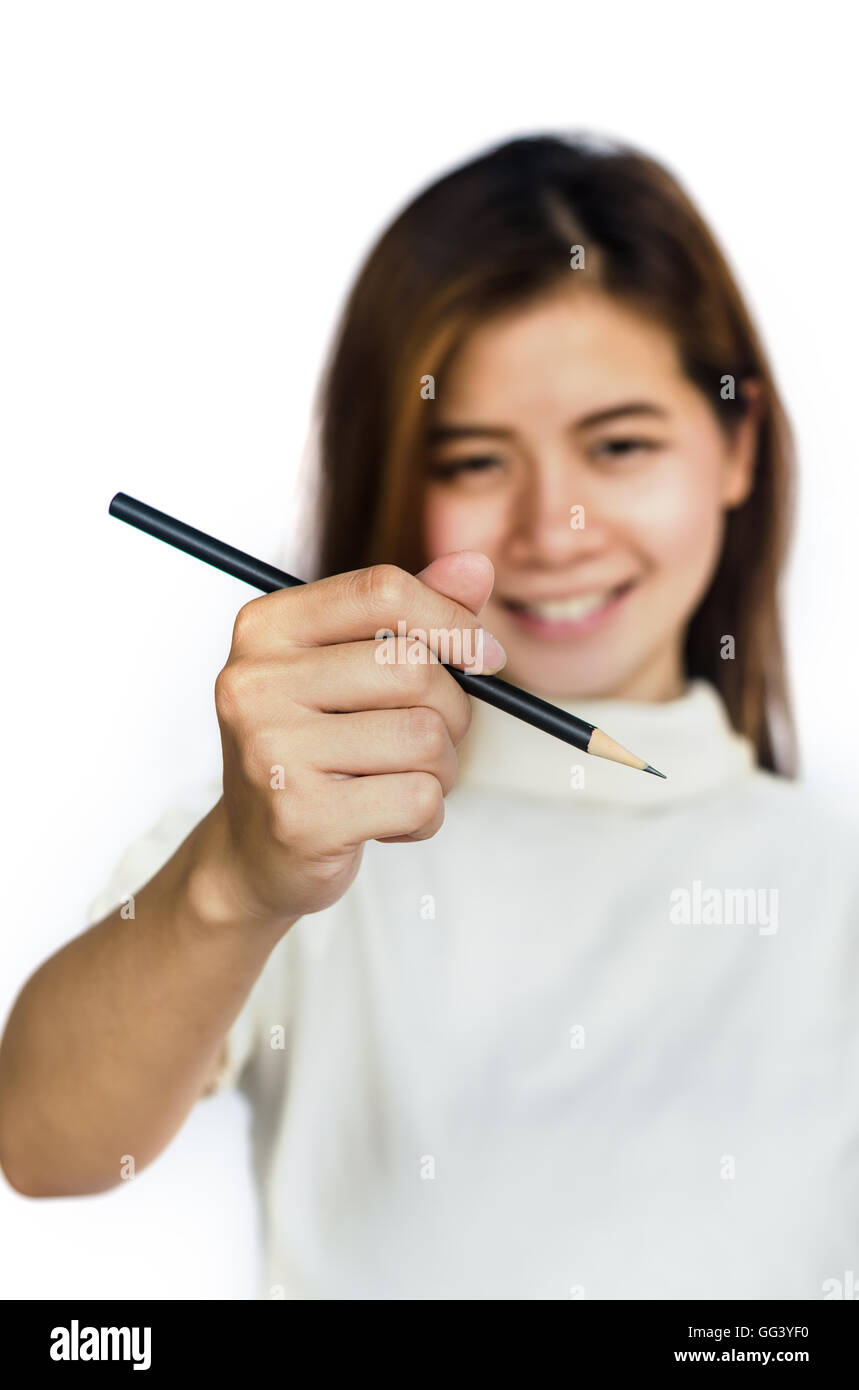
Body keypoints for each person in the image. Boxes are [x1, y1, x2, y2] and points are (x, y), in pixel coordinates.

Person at [1, 133, 856, 1300]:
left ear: (736, 442)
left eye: (619, 444)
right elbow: (44, 1144)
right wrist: (234, 883)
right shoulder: (302, 822)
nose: (556, 526)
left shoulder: (828, 879)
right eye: (472, 459)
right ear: (394, 473)